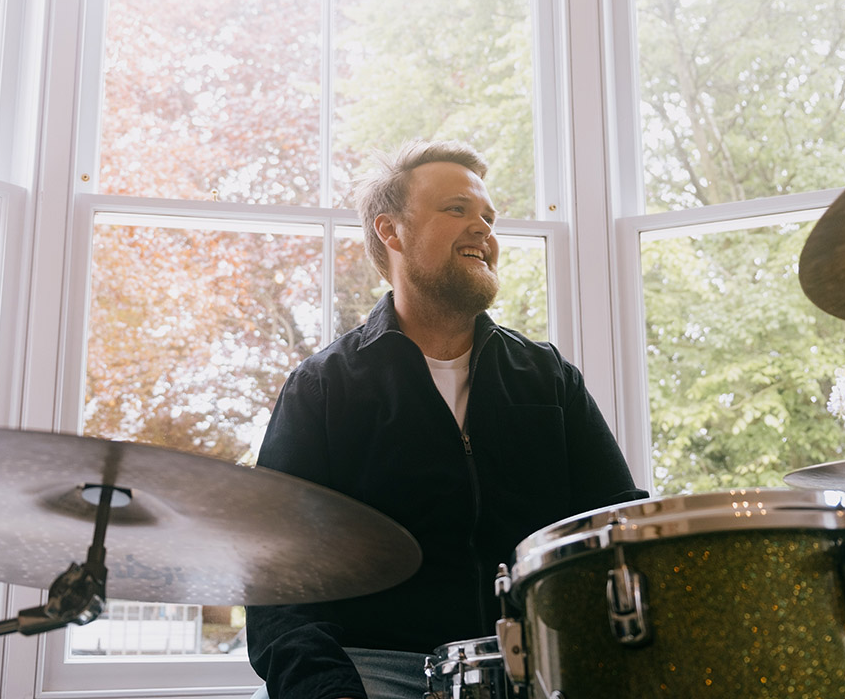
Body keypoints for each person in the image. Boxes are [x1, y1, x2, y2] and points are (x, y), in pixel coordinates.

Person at [245, 139, 648, 699]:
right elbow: (277, 586)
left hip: (543, 664)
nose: (483, 229)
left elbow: (619, 530)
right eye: (457, 210)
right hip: (376, 671)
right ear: (392, 232)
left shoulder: (551, 379)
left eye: (488, 217)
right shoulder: (322, 389)